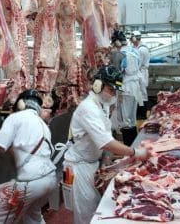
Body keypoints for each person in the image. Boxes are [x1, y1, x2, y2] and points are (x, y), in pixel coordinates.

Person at [62, 65, 150, 224]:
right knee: (86, 215)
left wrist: (105, 160)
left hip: (92, 163)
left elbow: (107, 135)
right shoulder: (88, 108)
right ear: (97, 85)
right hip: (77, 168)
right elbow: (106, 142)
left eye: (115, 90)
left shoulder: (103, 105)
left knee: (96, 208)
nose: (113, 94)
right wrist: (135, 152)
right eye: (111, 89)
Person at [0, 89, 57, 224]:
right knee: (33, 218)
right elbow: (23, 150)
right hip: (49, 180)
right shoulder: (43, 126)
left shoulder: (16, 118)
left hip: (30, 183)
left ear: (20, 104)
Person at [120, 33, 143, 145]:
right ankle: (135, 143)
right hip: (135, 86)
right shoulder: (135, 51)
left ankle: (128, 146)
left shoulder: (122, 54)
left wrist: (118, 87)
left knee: (126, 119)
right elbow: (139, 66)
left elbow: (120, 73)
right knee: (133, 117)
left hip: (126, 87)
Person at [131, 30, 150, 120]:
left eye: (132, 38)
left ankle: (142, 114)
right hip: (138, 72)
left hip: (141, 73)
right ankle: (139, 112)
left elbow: (138, 64)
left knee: (142, 94)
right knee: (139, 93)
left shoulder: (142, 49)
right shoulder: (136, 48)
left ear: (135, 38)